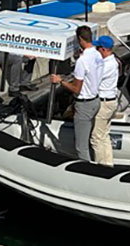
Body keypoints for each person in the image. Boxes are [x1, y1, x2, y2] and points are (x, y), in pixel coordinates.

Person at [50, 25, 101, 161]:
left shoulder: (82, 61)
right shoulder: (97, 55)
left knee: (81, 146)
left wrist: (60, 81)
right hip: (96, 101)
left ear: (80, 40)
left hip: (84, 104)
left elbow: (76, 89)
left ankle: (86, 172)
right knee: (88, 139)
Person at [90, 35, 119, 165]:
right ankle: (108, 163)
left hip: (104, 102)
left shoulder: (107, 65)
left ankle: (101, 166)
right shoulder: (114, 62)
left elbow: (93, 80)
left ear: (102, 49)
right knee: (104, 136)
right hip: (111, 101)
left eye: (97, 48)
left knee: (96, 137)